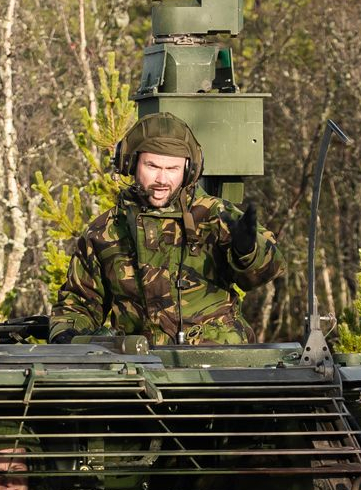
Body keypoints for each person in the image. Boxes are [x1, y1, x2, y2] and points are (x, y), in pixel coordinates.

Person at [52, 112, 277, 345]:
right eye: (152, 166)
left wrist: (248, 252)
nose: (162, 179)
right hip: (140, 364)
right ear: (130, 163)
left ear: (189, 170)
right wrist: (67, 335)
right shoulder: (105, 231)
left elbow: (266, 272)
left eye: (172, 169)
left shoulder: (215, 216)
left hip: (217, 364)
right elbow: (78, 303)